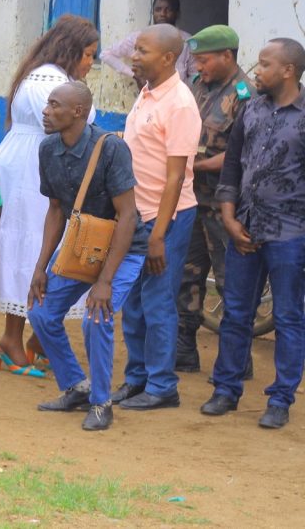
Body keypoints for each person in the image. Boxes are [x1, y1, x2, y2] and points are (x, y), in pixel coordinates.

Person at [27, 82, 148, 430]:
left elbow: (128, 216)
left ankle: (101, 402)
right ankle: (76, 386)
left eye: (54, 105)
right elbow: (54, 210)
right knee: (40, 310)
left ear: (78, 112)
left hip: (124, 250)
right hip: (81, 248)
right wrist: (41, 267)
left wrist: (105, 282)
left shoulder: (111, 149)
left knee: (96, 316)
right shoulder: (48, 149)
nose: (46, 111)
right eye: (47, 105)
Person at [0, 15, 100, 377]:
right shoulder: (53, 82)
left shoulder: (35, 74)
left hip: (24, 165)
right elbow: (78, 124)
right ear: (72, 50)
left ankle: (37, 339)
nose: (90, 64)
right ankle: (11, 342)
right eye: (88, 55)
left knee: (38, 249)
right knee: (36, 250)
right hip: (35, 172)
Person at [201, 38, 305, 430]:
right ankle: (226, 390)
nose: (256, 70)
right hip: (244, 227)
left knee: (289, 317)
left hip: (291, 235)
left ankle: (280, 399)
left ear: (288, 71)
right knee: (237, 312)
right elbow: (231, 167)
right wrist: (229, 216)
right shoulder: (252, 110)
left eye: (264, 64)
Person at [111, 24, 201, 410]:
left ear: (167, 58)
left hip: (166, 220)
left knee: (158, 301)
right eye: (135, 49)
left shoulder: (179, 103)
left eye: (142, 51)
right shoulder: (146, 95)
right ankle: (137, 378)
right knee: (132, 301)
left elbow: (176, 177)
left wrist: (158, 235)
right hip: (136, 217)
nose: (134, 56)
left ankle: (163, 386)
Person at [175, 26, 254, 373]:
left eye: (204, 59)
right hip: (192, 201)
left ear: (227, 56)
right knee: (187, 276)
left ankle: (237, 360)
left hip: (224, 205)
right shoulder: (194, 85)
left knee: (229, 282)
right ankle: (184, 351)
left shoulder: (244, 95)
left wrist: (194, 164)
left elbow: (242, 153)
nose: (199, 65)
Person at [101, 0, 194, 86]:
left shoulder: (187, 41)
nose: (162, 14)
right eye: (158, 10)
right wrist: (134, 75)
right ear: (153, 12)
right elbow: (105, 54)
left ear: (177, 13)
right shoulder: (139, 38)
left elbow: (194, 74)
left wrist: (184, 89)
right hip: (148, 96)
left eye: (168, 10)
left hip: (177, 97)